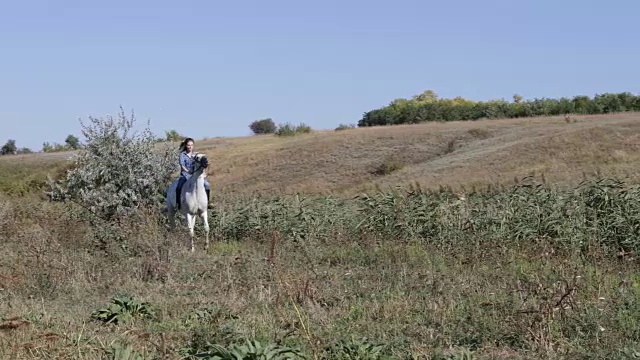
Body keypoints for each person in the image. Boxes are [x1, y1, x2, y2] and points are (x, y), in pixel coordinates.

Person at [175, 137, 212, 209]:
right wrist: (188, 171)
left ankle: (208, 202)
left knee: (207, 184)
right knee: (179, 186)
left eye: (191, 145)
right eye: (188, 145)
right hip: (185, 175)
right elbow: (182, 166)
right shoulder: (182, 155)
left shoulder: (196, 155)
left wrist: (204, 173)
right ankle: (178, 204)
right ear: (186, 145)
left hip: (196, 176)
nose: (190, 147)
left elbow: (202, 164)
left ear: (193, 145)